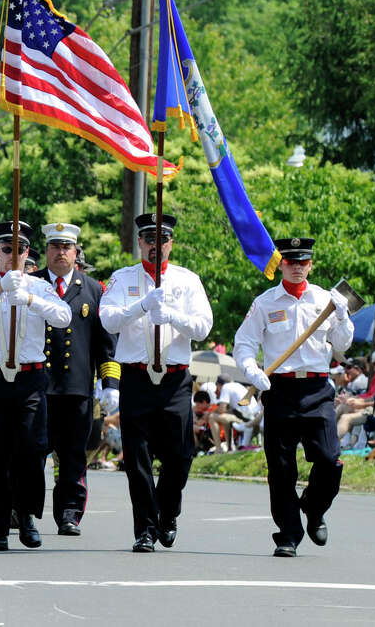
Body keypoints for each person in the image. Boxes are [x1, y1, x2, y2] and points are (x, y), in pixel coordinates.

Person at [99, 213, 212, 553]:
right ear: (140, 243)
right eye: (149, 239)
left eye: (162, 239)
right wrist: (142, 306)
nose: (155, 246)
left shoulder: (187, 280)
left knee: (180, 456)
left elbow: (203, 326)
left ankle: (168, 511)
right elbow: (108, 318)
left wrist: (173, 316)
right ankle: (145, 528)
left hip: (175, 379)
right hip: (136, 377)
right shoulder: (122, 279)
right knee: (137, 458)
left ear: (170, 243)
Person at [234, 237, 354, 557]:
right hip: (280, 390)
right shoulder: (265, 302)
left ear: (311, 265)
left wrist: (342, 317)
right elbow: (243, 343)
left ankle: (314, 507)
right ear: (281, 264)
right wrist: (251, 370)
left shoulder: (326, 300)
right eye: (291, 262)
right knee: (281, 468)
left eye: (303, 262)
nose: (297, 268)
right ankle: (288, 532)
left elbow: (342, 345)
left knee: (330, 460)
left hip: (317, 389)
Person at [0, 221, 72, 551]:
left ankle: (27, 515)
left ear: (27, 252)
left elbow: (63, 317)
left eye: (19, 249)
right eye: (7, 249)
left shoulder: (40, 285)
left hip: (30, 378)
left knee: (31, 450)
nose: (13, 255)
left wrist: (31, 298)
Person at [34, 222, 118, 536]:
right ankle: (25, 508)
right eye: (55, 247)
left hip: (76, 388)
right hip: (36, 388)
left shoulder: (93, 290)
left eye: (66, 247)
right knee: (31, 452)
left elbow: (105, 345)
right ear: (46, 251)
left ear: (75, 252)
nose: (60, 253)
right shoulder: (31, 284)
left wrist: (110, 384)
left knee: (72, 457)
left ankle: (69, 513)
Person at [206, 374, 262, 451]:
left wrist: (210, 413)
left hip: (248, 420)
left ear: (219, 385)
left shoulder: (226, 387)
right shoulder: (237, 385)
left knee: (212, 417)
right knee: (225, 417)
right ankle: (230, 447)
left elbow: (222, 409)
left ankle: (218, 449)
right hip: (256, 418)